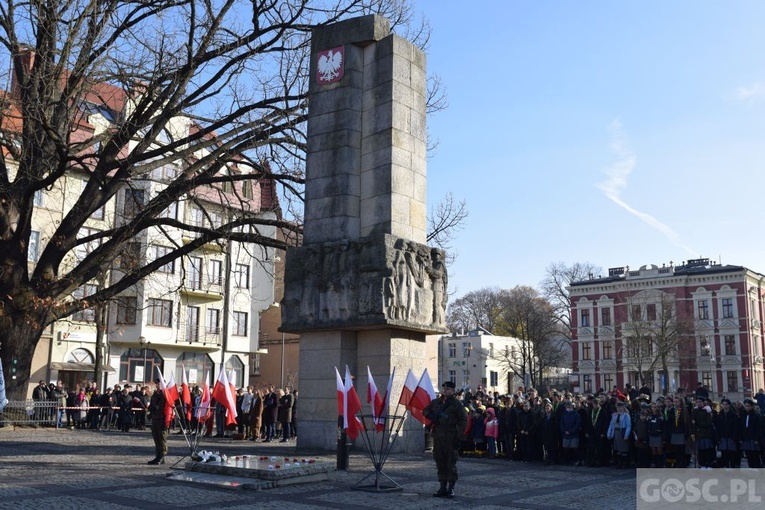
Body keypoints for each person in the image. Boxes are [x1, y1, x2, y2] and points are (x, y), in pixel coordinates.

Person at [424, 381, 468, 499]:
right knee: (440, 462)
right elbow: (425, 411)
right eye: (444, 388)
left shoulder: (457, 404)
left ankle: (451, 488)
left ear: (453, 391)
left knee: (451, 463)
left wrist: (458, 437)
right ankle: (442, 487)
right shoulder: (436, 402)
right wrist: (432, 416)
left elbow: (463, 420)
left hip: (450, 436)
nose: (445, 390)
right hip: (438, 437)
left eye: (448, 389)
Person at [147, 381, 168, 465]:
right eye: (157, 384)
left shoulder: (165, 394)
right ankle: (157, 456)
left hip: (162, 419)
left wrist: (155, 407)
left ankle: (162, 456)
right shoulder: (155, 394)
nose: (157, 385)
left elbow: (162, 406)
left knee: (162, 439)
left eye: (159, 384)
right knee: (156, 439)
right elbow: (152, 405)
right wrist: (151, 410)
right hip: (155, 419)